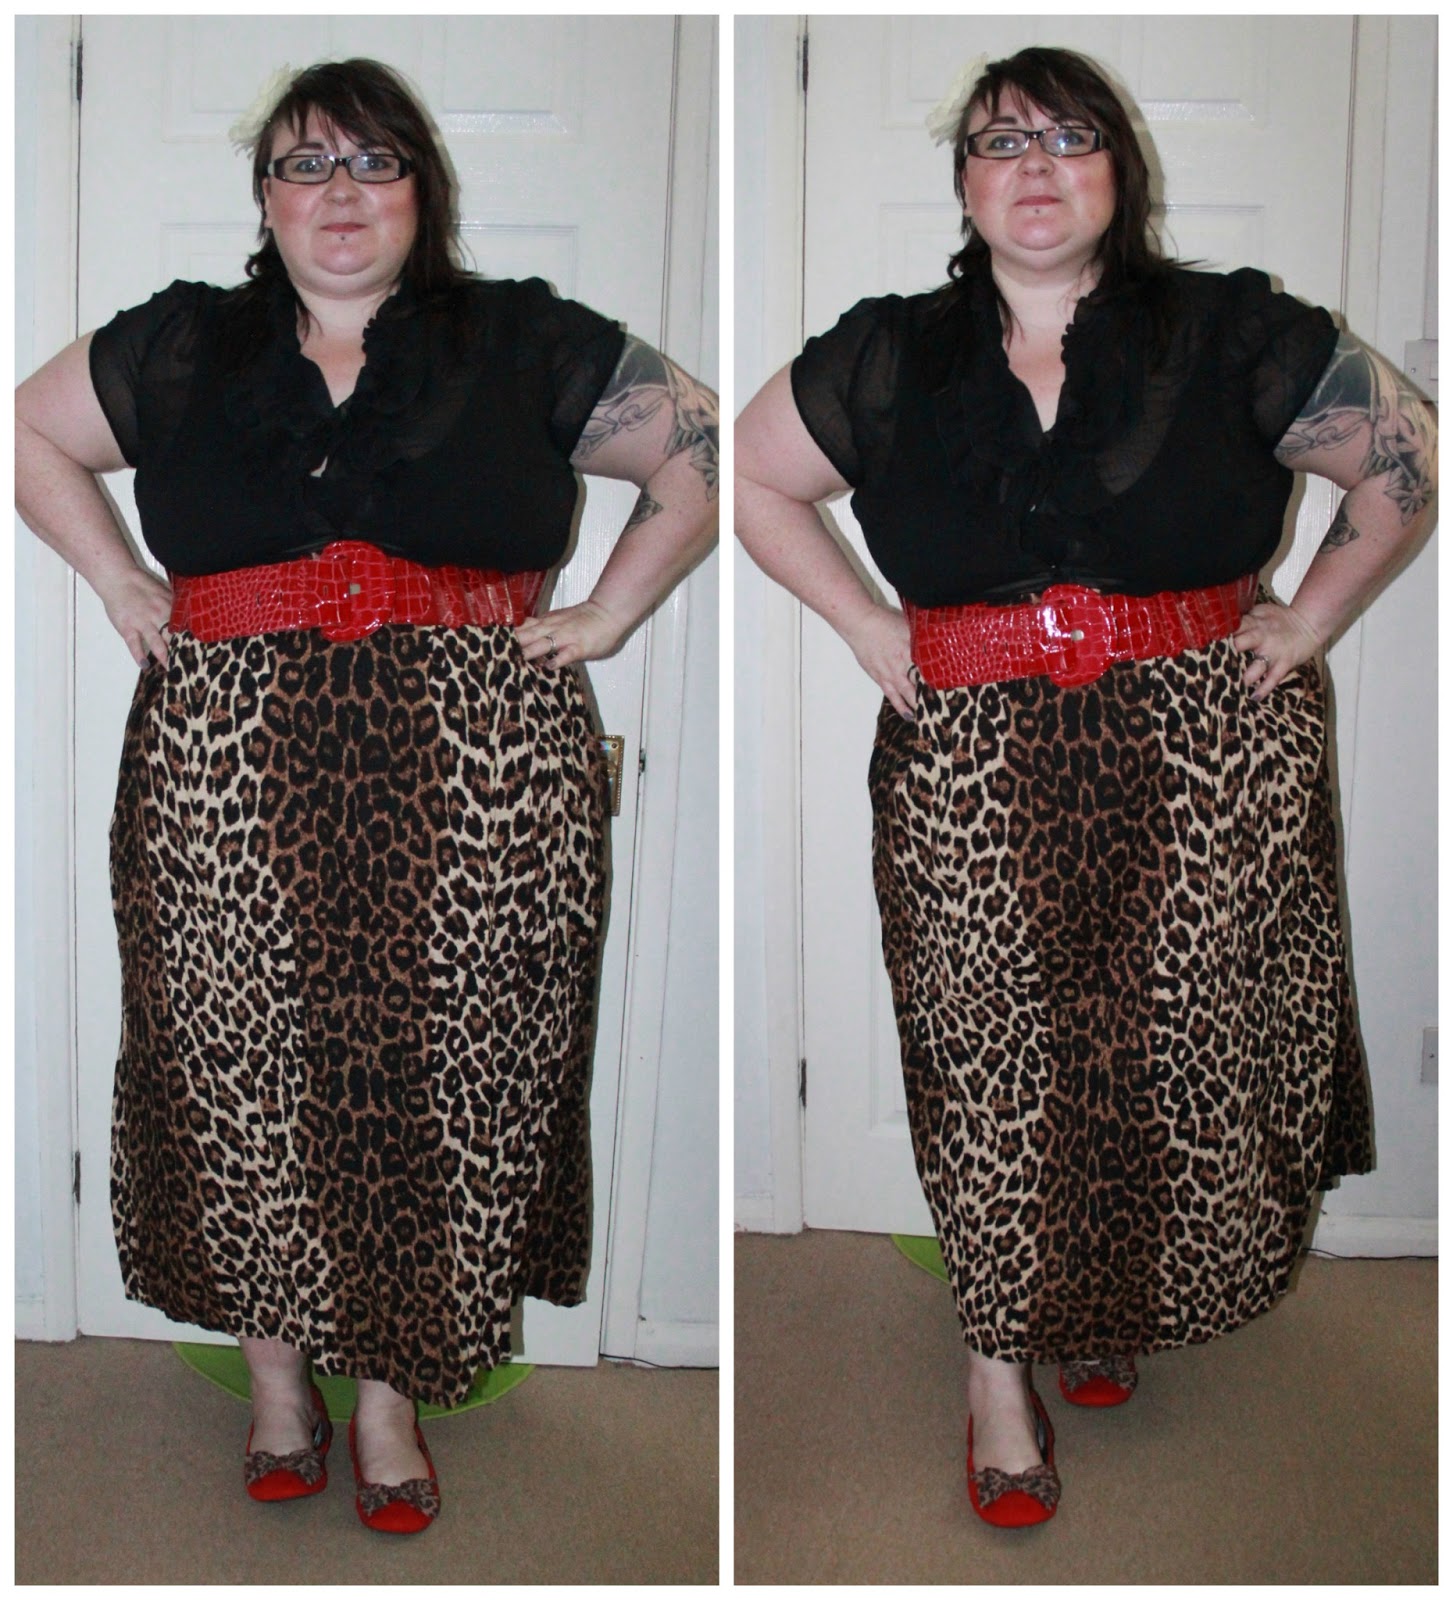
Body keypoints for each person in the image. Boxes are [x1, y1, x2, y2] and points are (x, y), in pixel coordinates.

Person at [16, 58, 717, 1535]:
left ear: (421, 191)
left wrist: (607, 614)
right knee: (241, 1067)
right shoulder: (183, 343)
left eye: (373, 162)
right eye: (304, 164)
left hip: (479, 773)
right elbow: (28, 432)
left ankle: (390, 1398)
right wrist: (121, 581)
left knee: (443, 1071)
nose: (339, 191)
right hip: (227, 767)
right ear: (265, 199)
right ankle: (279, 1387)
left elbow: (707, 451)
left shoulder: (524, 339)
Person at [736, 46, 1433, 1529]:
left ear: (1121, 169)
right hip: (971, 757)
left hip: (1205, 751)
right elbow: (750, 476)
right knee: (988, 1054)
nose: (1035, 165)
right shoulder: (890, 353)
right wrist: (863, 625)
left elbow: (1406, 458)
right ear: (963, 182)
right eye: (1001, 141)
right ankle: (997, 1370)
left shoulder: (1231, 333)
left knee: (1171, 1044)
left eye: (1068, 137)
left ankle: (1107, 1291)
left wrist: (1308, 619)